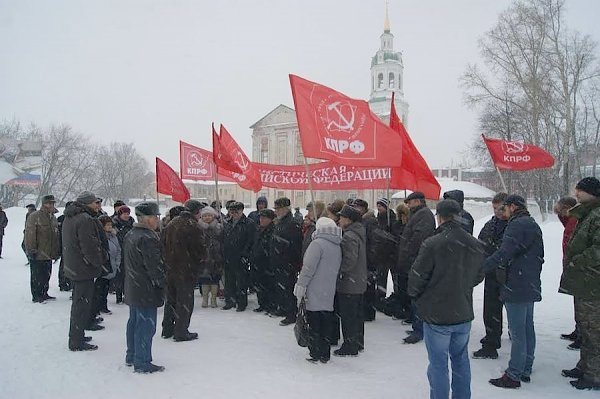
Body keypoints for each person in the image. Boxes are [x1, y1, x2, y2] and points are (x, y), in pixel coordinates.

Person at [408, 199, 485, 399]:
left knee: (438, 364)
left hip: (437, 313)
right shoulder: (474, 243)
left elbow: (417, 276)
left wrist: (417, 295)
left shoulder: (433, 243)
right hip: (462, 310)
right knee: (460, 360)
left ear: (439, 217)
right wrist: (460, 286)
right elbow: (478, 275)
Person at [484, 194, 544, 388]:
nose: (503, 211)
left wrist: (482, 267)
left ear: (512, 207)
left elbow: (504, 252)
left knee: (517, 331)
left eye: (505, 207)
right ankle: (526, 366)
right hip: (528, 282)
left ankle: (514, 374)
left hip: (516, 283)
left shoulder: (516, 225)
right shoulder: (531, 223)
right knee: (527, 328)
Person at [559, 177, 600, 390]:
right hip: (584, 282)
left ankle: (594, 375)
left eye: (580, 191)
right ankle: (584, 366)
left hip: (593, 283)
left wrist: (578, 260)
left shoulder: (597, 215)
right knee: (585, 328)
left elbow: (597, 249)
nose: (576, 194)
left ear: (591, 192)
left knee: (594, 331)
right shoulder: (587, 213)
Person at [123, 202, 166, 373]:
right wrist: (162, 283)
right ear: (146, 219)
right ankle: (142, 361)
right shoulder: (148, 238)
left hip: (134, 285)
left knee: (134, 322)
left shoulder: (131, 234)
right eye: (155, 217)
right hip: (145, 288)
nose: (157, 220)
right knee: (146, 326)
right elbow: (154, 267)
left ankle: (132, 354)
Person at [294, 216, 342, 364]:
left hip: (314, 288)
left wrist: (300, 285)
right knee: (326, 321)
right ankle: (325, 352)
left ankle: (315, 351)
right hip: (329, 289)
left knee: (314, 322)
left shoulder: (317, 244)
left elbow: (308, 268)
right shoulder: (337, 245)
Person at [63, 191, 106, 351]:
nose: (98, 205)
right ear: (87, 203)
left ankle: (77, 334)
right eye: (95, 202)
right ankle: (76, 340)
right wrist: (98, 263)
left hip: (75, 267)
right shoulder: (85, 219)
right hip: (83, 269)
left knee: (79, 304)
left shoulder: (71, 216)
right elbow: (89, 247)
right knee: (81, 305)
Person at [161, 199, 206, 341]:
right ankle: (181, 331)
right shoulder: (193, 226)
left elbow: (162, 244)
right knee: (184, 302)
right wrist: (199, 264)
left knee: (171, 300)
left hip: (170, 269)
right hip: (186, 270)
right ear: (197, 212)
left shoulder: (171, 223)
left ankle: (167, 329)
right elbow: (200, 250)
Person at [473, 192, 509, 359]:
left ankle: (516, 338)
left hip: (510, 274)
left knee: (514, 311)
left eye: (501, 208)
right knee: (491, 310)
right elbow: (480, 242)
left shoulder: (515, 225)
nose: (497, 212)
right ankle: (491, 342)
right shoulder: (491, 224)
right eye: (494, 209)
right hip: (492, 273)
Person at [396, 192, 436, 344]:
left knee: (417, 296)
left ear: (417, 201)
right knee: (414, 295)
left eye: (410, 202)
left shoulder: (424, 215)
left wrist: (408, 253)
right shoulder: (418, 214)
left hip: (418, 262)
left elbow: (418, 239)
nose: (408, 205)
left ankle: (419, 330)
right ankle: (416, 325)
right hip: (414, 261)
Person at [334, 205, 367, 357]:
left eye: (341, 217)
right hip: (358, 281)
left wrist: (338, 270)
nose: (339, 219)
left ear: (349, 219)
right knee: (357, 315)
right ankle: (358, 342)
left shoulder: (349, 236)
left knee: (348, 316)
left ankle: (350, 345)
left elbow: (349, 260)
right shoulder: (358, 232)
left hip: (349, 282)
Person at [271, 197, 303, 326]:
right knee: (281, 288)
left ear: (286, 209)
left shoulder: (292, 223)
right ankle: (283, 308)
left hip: (287, 262)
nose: (277, 211)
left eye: (279, 209)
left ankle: (291, 314)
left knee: (289, 289)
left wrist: (292, 262)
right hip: (279, 261)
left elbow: (295, 245)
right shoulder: (281, 222)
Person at [553, 196, 580, 349]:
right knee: (577, 300)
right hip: (571, 263)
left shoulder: (575, 220)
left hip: (577, 265)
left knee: (582, 303)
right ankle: (578, 330)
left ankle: (582, 334)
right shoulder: (570, 220)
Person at [24, 195, 60, 303]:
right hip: (38, 252)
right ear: (43, 204)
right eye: (48, 203)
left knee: (46, 274)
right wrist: (31, 249)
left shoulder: (53, 217)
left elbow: (55, 236)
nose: (51, 205)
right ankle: (37, 295)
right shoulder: (35, 216)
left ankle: (44, 293)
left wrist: (56, 251)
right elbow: (30, 234)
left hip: (48, 252)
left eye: (52, 203)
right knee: (37, 276)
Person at [222, 201, 255, 311]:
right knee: (229, 280)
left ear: (241, 211)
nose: (234, 213)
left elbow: (251, 241)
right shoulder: (227, 223)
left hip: (241, 256)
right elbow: (224, 239)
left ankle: (241, 303)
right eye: (232, 211)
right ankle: (230, 301)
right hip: (228, 256)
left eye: (237, 211)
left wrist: (245, 254)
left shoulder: (249, 223)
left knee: (241, 281)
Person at [93, 215, 121, 315]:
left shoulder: (114, 236)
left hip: (112, 265)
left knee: (105, 288)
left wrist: (117, 263)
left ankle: (103, 306)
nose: (110, 227)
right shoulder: (99, 237)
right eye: (107, 225)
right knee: (99, 289)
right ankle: (97, 308)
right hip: (103, 266)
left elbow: (118, 250)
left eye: (110, 225)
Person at [197, 206, 223, 309]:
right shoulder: (198, 228)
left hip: (216, 257)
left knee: (215, 280)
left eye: (209, 215)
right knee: (204, 280)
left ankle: (213, 299)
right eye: (205, 216)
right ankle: (205, 299)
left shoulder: (219, 227)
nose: (207, 218)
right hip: (203, 258)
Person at [251, 208, 276, 313]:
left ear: (270, 219)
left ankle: (270, 305)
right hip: (257, 261)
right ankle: (262, 304)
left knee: (268, 285)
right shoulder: (258, 229)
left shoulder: (273, 230)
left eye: (264, 218)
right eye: (260, 217)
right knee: (259, 284)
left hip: (267, 262)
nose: (261, 220)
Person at [112, 205, 134, 304]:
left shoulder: (132, 224)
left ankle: (127, 294)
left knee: (128, 275)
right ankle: (119, 295)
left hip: (130, 251)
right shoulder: (115, 224)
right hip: (119, 251)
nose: (126, 215)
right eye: (124, 214)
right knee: (119, 275)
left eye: (128, 213)